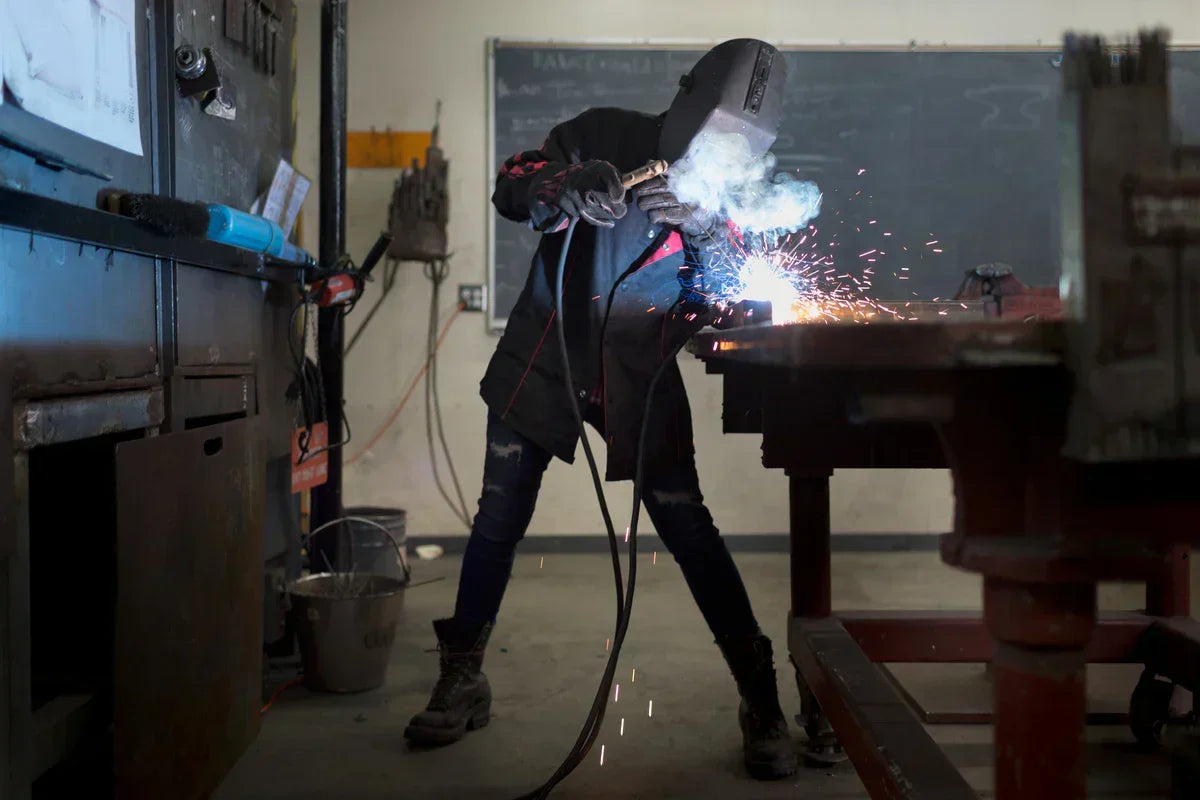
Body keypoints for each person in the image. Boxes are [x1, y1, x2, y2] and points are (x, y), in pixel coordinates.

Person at [404, 39, 797, 780]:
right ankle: (463, 676)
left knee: (686, 523)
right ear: (686, 101)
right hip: (545, 352)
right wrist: (565, 187)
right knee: (496, 517)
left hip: (639, 371)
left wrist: (705, 226)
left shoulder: (724, 192)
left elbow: (734, 285)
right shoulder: (604, 132)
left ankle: (760, 696)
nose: (715, 152)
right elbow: (512, 182)